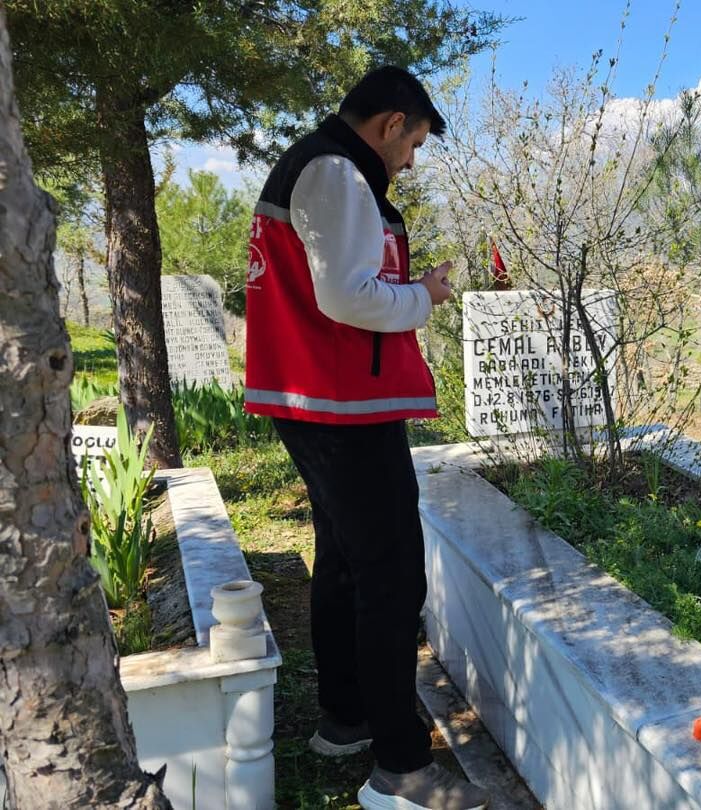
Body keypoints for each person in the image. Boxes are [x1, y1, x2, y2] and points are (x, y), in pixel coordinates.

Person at [244, 66, 485, 809]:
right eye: (412, 142)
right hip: (339, 403)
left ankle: (346, 719)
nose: (409, 160)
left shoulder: (319, 167)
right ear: (389, 125)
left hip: (319, 399)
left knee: (347, 565)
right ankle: (402, 772)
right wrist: (426, 295)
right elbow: (347, 295)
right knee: (391, 576)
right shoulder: (338, 173)